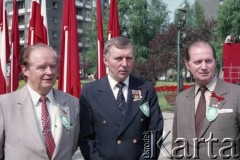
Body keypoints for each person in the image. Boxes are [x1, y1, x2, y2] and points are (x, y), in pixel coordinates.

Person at [79, 36, 164, 160]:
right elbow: (86, 138)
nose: (124, 64)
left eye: (129, 58)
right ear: (105, 60)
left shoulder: (146, 89)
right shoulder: (90, 91)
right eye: (118, 58)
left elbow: (154, 132)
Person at [0, 44, 80, 159]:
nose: (50, 72)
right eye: (42, 67)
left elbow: (72, 145)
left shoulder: (72, 103)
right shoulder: (4, 105)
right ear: (26, 70)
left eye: (53, 66)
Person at [172, 40, 240, 159]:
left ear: (215, 62)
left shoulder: (236, 94)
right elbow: (176, 143)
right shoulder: (181, 99)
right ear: (188, 65)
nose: (204, 67)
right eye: (198, 62)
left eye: (208, 61)